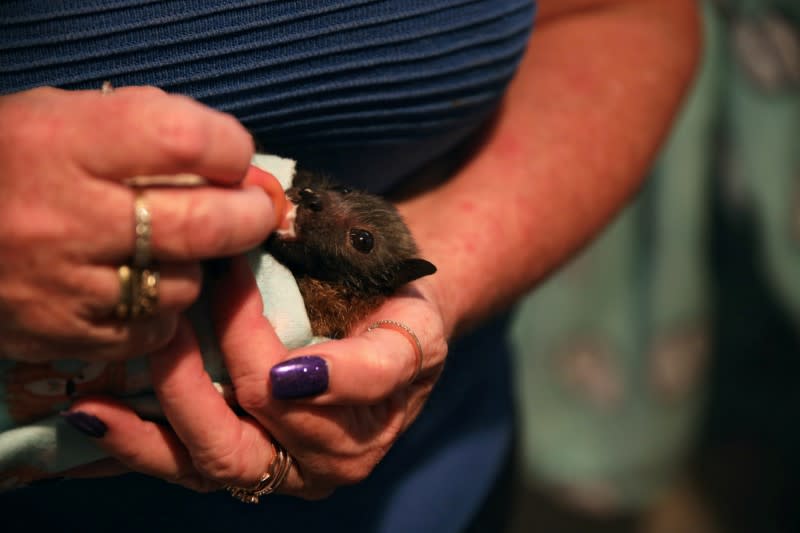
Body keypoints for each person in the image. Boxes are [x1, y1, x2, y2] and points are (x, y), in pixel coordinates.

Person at [0, 1, 700, 531]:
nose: (324, 204)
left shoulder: (359, 289)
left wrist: (439, 296)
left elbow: (620, 14)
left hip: (426, 476)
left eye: (357, 236)